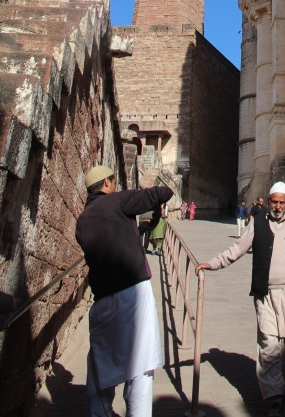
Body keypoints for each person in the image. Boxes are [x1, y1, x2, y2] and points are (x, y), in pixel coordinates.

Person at [196, 182, 285, 417]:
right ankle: (273, 398)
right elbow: (237, 249)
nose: (278, 207)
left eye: (281, 203)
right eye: (274, 202)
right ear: (268, 202)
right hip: (265, 294)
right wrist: (214, 263)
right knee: (269, 344)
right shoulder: (257, 224)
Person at [75, 165, 173, 416]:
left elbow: (114, 236)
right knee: (140, 365)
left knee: (100, 363)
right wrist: (158, 203)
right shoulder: (118, 201)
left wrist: (144, 227)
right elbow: (163, 192)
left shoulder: (83, 220)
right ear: (107, 183)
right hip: (133, 295)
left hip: (103, 300)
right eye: (113, 181)